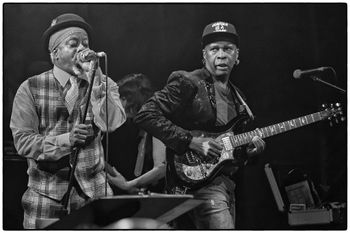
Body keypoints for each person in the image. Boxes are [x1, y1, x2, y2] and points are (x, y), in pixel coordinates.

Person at [134, 21, 266, 229]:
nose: (221, 55)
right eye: (214, 49)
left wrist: (251, 150)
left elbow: (233, 148)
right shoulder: (187, 81)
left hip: (226, 184)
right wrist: (190, 141)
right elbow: (146, 114)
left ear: (237, 55)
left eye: (228, 49)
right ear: (204, 55)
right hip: (196, 182)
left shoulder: (240, 97)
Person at [10, 13, 126, 229]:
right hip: (46, 196)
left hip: (95, 194)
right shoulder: (30, 88)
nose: (82, 49)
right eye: (73, 44)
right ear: (55, 54)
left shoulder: (103, 82)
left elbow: (112, 123)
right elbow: (23, 141)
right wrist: (66, 140)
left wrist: (97, 79)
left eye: (86, 44)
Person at [105, 73, 166, 194]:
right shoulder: (137, 124)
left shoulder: (157, 117)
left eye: (118, 99)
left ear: (127, 99)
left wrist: (128, 185)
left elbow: (161, 168)